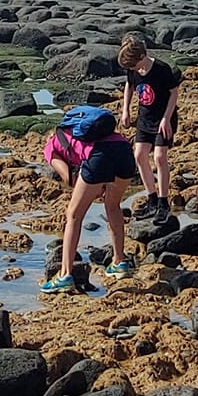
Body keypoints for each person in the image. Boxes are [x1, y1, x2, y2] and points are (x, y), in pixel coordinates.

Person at [43, 106, 137, 293]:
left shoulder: (51, 147)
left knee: (74, 215)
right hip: (124, 150)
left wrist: (93, 188)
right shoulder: (80, 130)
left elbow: (69, 179)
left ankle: (64, 275)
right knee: (113, 205)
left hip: (98, 155)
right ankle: (119, 262)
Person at [117, 33, 181, 220]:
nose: (132, 70)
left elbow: (174, 92)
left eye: (134, 66)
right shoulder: (133, 70)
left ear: (141, 58)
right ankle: (151, 199)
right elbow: (129, 85)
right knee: (139, 155)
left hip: (163, 118)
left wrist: (166, 118)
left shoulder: (161, 69)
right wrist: (125, 109)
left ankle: (163, 202)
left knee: (160, 157)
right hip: (144, 118)